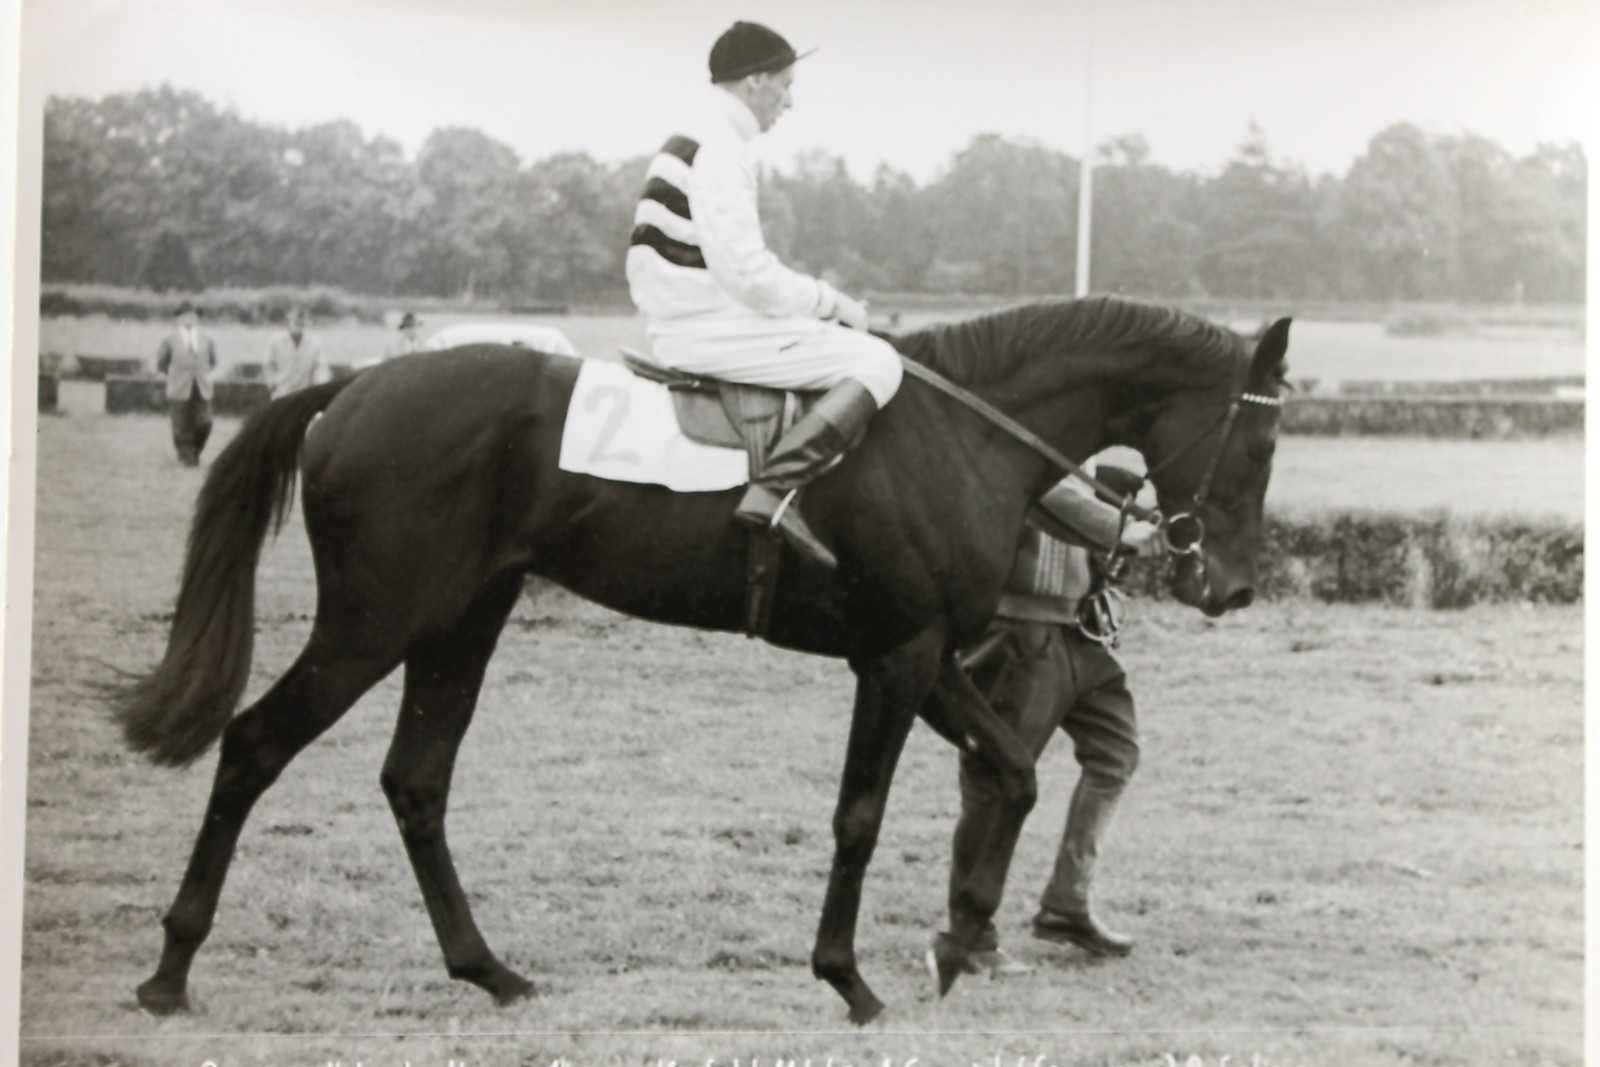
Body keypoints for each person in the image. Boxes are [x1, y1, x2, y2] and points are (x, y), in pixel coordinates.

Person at [625, 20, 903, 569]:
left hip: (689, 318)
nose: (790, 101)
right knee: (878, 362)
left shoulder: (690, 136)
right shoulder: (722, 147)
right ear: (755, 81)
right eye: (786, 84)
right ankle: (775, 492)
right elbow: (749, 276)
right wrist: (832, 302)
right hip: (707, 327)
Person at [949, 467, 1161, 977]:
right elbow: (1045, 489)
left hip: (1077, 628)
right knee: (997, 780)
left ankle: (1066, 904)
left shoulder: (1082, 444)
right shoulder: (1026, 442)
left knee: (1115, 754)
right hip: (1019, 632)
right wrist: (1123, 527)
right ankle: (969, 936)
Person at [155, 302, 218, 466]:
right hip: (179, 387)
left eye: (192, 315)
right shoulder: (169, 339)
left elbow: (213, 361)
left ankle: (194, 451)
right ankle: (186, 457)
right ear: (178, 319)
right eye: (184, 316)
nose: (189, 319)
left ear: (197, 318)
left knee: (205, 422)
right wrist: (176, 376)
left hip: (201, 386)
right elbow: (161, 363)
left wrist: (201, 374)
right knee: (181, 424)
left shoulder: (207, 339)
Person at [265, 308, 328, 398]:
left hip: (305, 394)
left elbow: (320, 368)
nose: (299, 325)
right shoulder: (275, 341)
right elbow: (268, 365)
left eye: (302, 323)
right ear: (288, 322)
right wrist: (272, 386)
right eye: (296, 322)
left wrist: (320, 388)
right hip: (281, 393)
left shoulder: (314, 343)